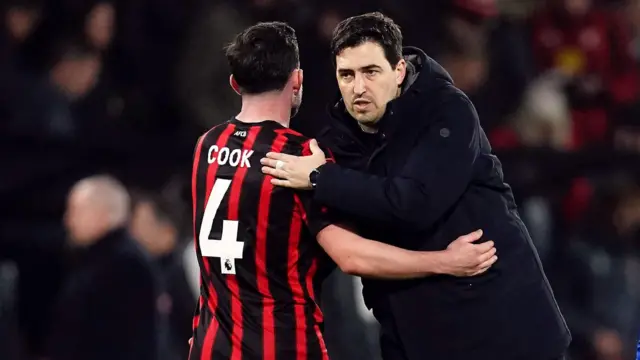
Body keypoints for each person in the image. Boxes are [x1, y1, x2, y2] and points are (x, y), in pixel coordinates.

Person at [261, 12, 571, 360]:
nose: (358, 88)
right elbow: (348, 253)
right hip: (413, 334)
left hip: (502, 330)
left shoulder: (447, 111)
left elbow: (415, 203)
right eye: (346, 75)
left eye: (370, 72)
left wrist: (321, 178)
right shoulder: (334, 143)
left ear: (399, 70)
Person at [189, 21, 498, 360]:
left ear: (234, 84)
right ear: (297, 81)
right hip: (282, 347)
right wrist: (444, 262)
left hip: (209, 344)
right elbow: (352, 256)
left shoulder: (207, 145)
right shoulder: (298, 156)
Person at [46, 175, 158, 360]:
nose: (67, 220)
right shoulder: (98, 259)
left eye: (75, 210)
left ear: (103, 213)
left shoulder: (126, 265)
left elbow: (127, 342)